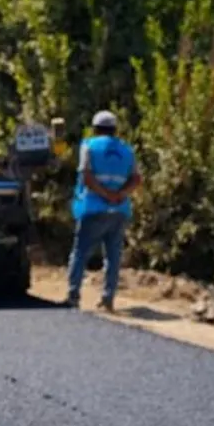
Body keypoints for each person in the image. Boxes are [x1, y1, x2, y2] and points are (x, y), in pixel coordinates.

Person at [64, 110, 141, 312]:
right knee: (113, 256)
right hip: (119, 209)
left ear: (95, 128)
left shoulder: (89, 146)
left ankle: (73, 295)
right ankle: (108, 298)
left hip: (93, 207)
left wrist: (105, 194)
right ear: (115, 129)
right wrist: (120, 194)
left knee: (80, 253)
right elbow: (136, 178)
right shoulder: (127, 149)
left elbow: (86, 176)